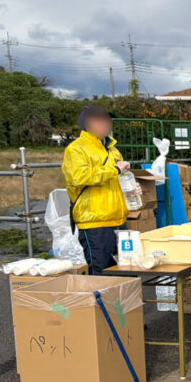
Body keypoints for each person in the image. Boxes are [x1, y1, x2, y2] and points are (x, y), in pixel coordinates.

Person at [62, 104, 130, 275]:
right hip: (94, 222)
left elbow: (118, 178)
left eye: (106, 121)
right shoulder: (76, 149)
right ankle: (99, 303)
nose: (104, 125)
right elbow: (79, 177)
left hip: (118, 219)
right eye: (98, 121)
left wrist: (130, 189)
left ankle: (121, 303)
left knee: (125, 272)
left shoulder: (112, 149)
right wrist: (115, 170)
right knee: (101, 274)